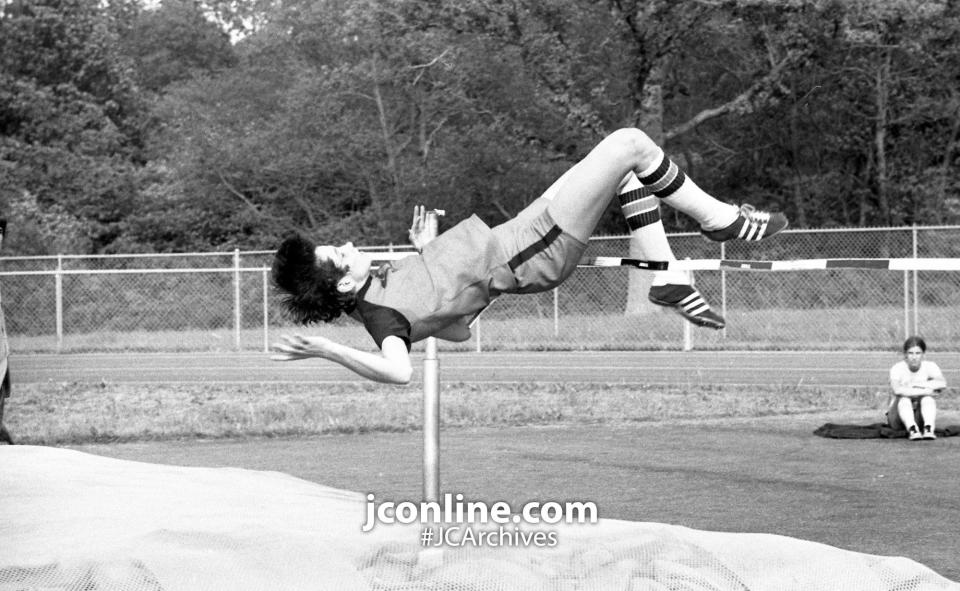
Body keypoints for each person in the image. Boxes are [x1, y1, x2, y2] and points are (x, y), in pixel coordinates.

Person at [271, 127, 787, 384]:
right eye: (340, 253)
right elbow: (400, 372)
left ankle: (665, 276)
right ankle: (723, 221)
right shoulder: (382, 318)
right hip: (535, 249)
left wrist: (434, 256)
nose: (349, 246)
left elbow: (457, 329)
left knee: (625, 169)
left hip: (522, 229)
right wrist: (327, 350)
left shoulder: (382, 287)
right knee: (630, 143)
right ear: (341, 284)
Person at [887, 336, 946, 440]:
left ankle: (928, 429)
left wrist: (913, 386)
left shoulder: (930, 366)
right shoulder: (897, 368)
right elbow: (897, 390)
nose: (914, 357)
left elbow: (942, 383)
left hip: (919, 416)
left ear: (923, 354)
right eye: (910, 353)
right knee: (904, 398)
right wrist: (927, 391)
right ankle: (912, 430)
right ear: (905, 355)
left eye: (918, 353)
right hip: (897, 418)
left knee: (928, 399)